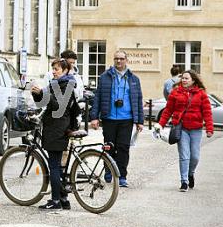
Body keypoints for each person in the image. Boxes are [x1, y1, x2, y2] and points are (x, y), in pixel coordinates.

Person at [90, 50, 144, 188]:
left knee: (123, 148)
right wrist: (94, 117)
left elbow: (138, 100)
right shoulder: (105, 77)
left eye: (121, 59)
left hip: (127, 118)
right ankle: (108, 171)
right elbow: (98, 97)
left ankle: (122, 176)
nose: (118, 61)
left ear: (126, 60)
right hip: (109, 117)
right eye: (116, 59)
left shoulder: (133, 79)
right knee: (109, 146)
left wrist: (139, 121)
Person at [32, 58, 80, 211]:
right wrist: (37, 94)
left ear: (65, 71)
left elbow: (59, 105)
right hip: (56, 126)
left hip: (58, 128)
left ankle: (55, 200)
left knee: (54, 166)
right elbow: (43, 103)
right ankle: (63, 199)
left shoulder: (67, 84)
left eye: (57, 69)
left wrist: (43, 93)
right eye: (53, 69)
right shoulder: (57, 84)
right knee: (57, 167)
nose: (53, 71)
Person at [156, 70, 213, 192]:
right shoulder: (175, 93)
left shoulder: (201, 94)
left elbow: (207, 112)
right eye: (183, 78)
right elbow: (168, 111)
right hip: (181, 128)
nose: (184, 80)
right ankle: (184, 181)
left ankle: (190, 173)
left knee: (195, 157)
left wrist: (209, 128)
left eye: (187, 78)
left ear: (193, 80)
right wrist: (160, 124)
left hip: (196, 129)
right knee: (184, 156)